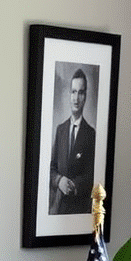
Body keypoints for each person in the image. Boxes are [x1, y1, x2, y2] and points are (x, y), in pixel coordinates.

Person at [49, 68, 96, 214]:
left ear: (85, 96)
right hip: (58, 210)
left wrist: (74, 186)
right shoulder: (60, 129)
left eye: (81, 92)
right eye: (73, 92)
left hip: (79, 211)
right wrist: (59, 180)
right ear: (69, 94)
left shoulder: (91, 134)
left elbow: (92, 176)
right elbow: (50, 169)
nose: (76, 98)